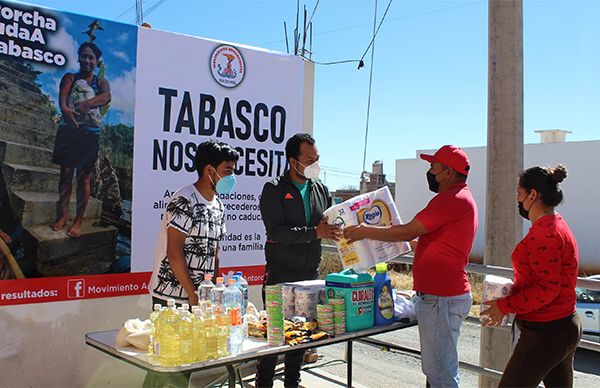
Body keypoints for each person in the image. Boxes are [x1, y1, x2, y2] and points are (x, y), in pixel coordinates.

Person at [344, 145, 478, 388]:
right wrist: (409, 244)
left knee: (440, 374)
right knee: (440, 368)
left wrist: (364, 232)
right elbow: (431, 241)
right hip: (443, 296)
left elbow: (407, 230)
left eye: (433, 167)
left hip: (441, 298)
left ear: (447, 172)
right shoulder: (460, 198)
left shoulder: (450, 200)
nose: (430, 172)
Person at [481, 165, 581, 388]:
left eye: (519, 194)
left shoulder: (545, 234)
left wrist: (504, 306)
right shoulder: (556, 224)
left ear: (532, 195)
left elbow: (546, 289)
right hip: (562, 325)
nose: (517, 200)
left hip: (545, 332)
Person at [256, 133, 342, 388]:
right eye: (309, 159)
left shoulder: (320, 189)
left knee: (301, 339)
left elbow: (328, 222)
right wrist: (315, 233)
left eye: (317, 159)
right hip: (280, 276)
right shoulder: (273, 188)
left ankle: (292, 383)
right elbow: (276, 232)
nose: (315, 164)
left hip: (310, 276)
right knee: (274, 340)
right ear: (293, 161)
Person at [149, 140, 239, 306]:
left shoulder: (219, 206)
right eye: (227, 172)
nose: (231, 178)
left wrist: (213, 288)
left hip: (202, 297)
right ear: (210, 170)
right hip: (172, 297)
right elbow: (174, 252)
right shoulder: (184, 199)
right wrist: (192, 293)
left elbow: (215, 252)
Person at [50, 42, 111, 237]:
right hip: (69, 132)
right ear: (78, 58)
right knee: (65, 175)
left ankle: (78, 221)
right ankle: (63, 216)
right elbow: (62, 98)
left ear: (96, 62)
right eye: (84, 56)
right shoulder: (70, 78)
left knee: (84, 177)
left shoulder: (100, 83)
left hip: (89, 134)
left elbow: (106, 97)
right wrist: (66, 111)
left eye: (91, 57)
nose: (87, 60)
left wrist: (88, 104)